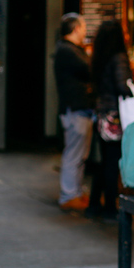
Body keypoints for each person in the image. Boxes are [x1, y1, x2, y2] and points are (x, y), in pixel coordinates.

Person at [85, 20, 132, 221]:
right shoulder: (119, 57)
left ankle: (94, 203)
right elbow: (123, 86)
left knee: (104, 161)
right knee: (112, 163)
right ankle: (110, 208)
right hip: (115, 116)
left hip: (102, 113)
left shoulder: (98, 57)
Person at [54, 13, 93, 211]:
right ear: (76, 29)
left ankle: (75, 193)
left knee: (80, 155)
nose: (86, 31)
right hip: (74, 109)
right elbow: (89, 69)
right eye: (84, 27)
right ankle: (68, 196)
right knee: (73, 154)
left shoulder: (70, 49)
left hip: (80, 109)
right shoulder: (67, 51)